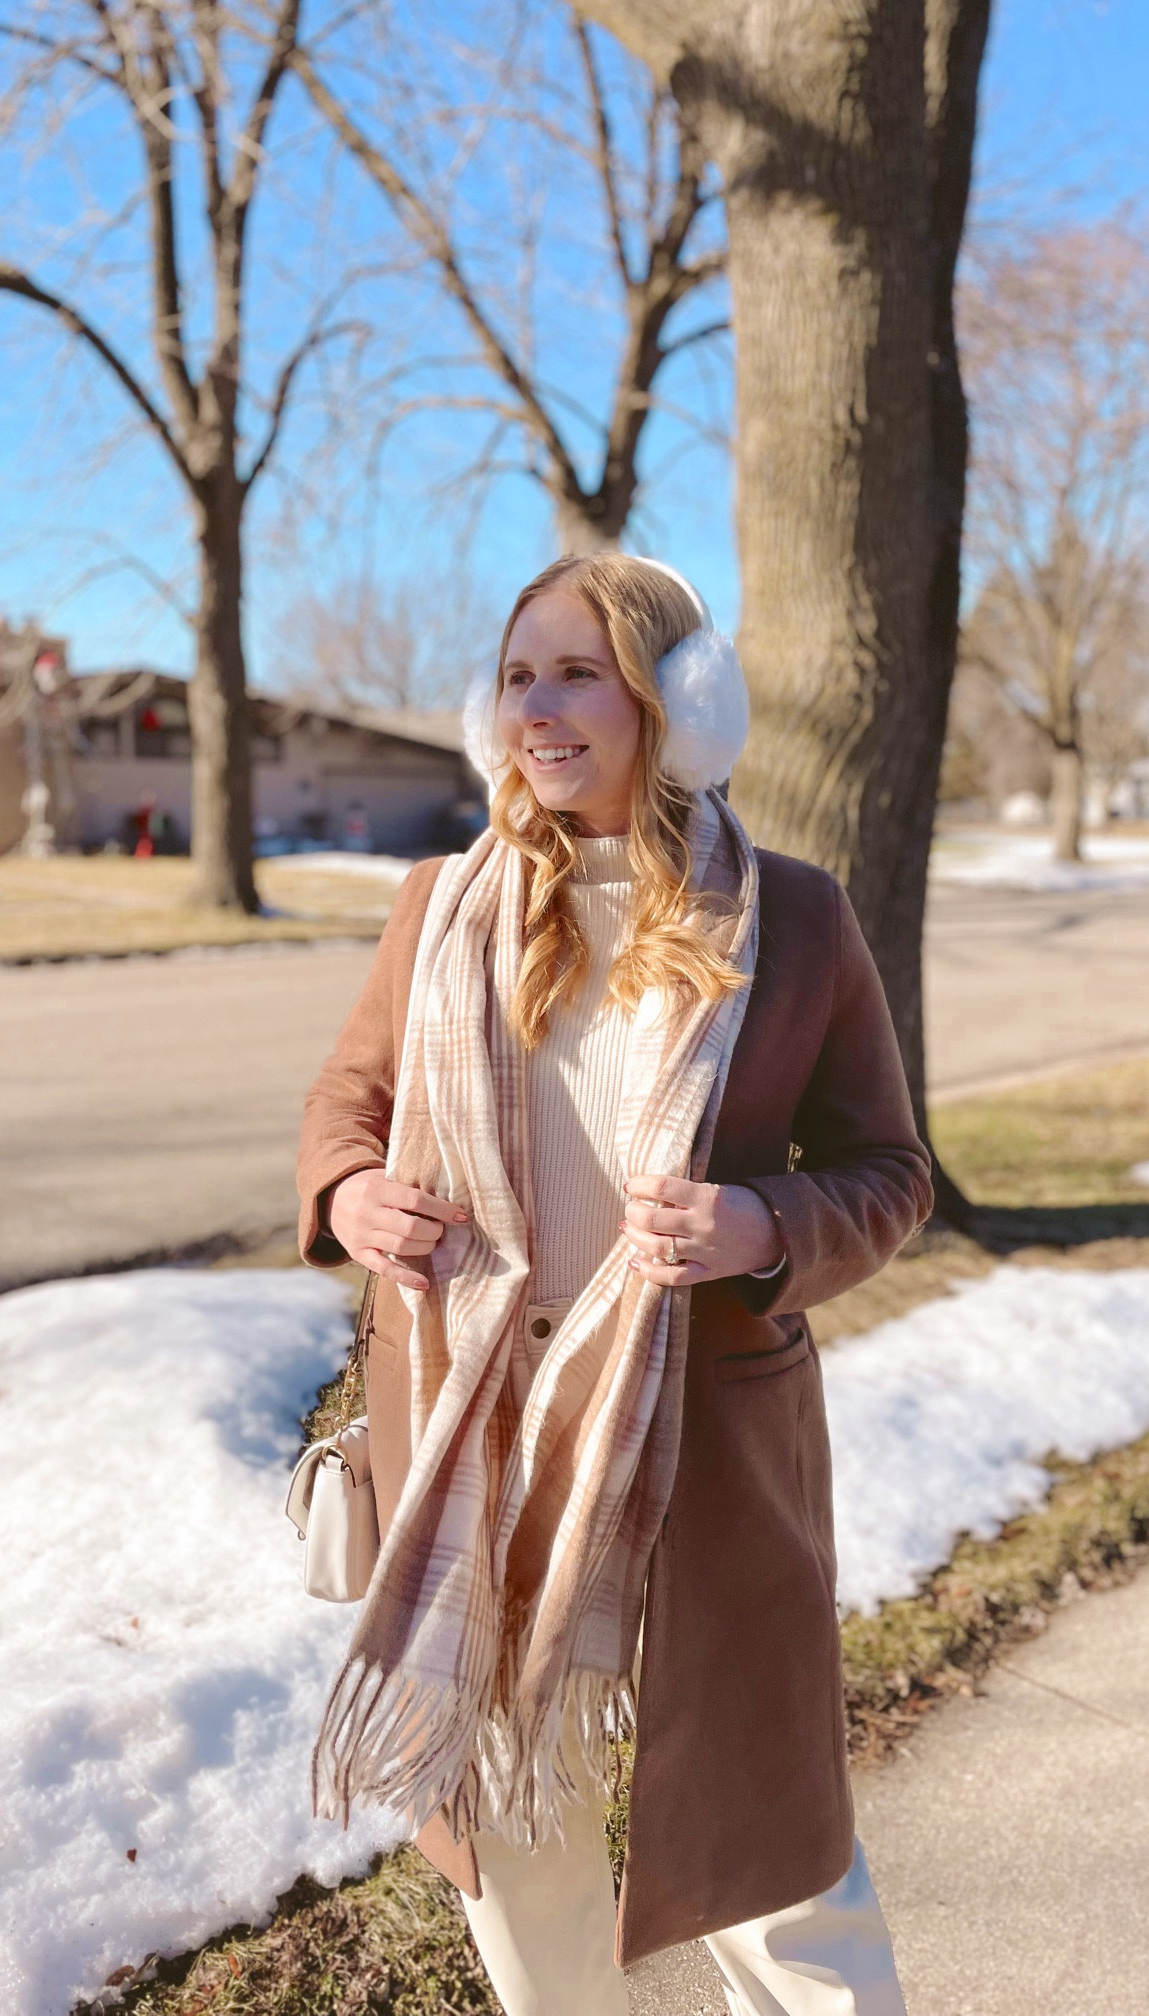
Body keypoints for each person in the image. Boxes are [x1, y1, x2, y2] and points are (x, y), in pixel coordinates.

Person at [296, 554, 933, 2016]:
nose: (539, 707)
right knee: (521, 1831)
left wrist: (760, 1224)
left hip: (699, 1445)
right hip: (478, 1432)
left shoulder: (797, 917)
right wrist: (349, 1190)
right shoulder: (439, 907)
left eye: (577, 671)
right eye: (518, 676)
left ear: (676, 701)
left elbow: (891, 1172)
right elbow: (348, 1095)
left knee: (769, 1841)